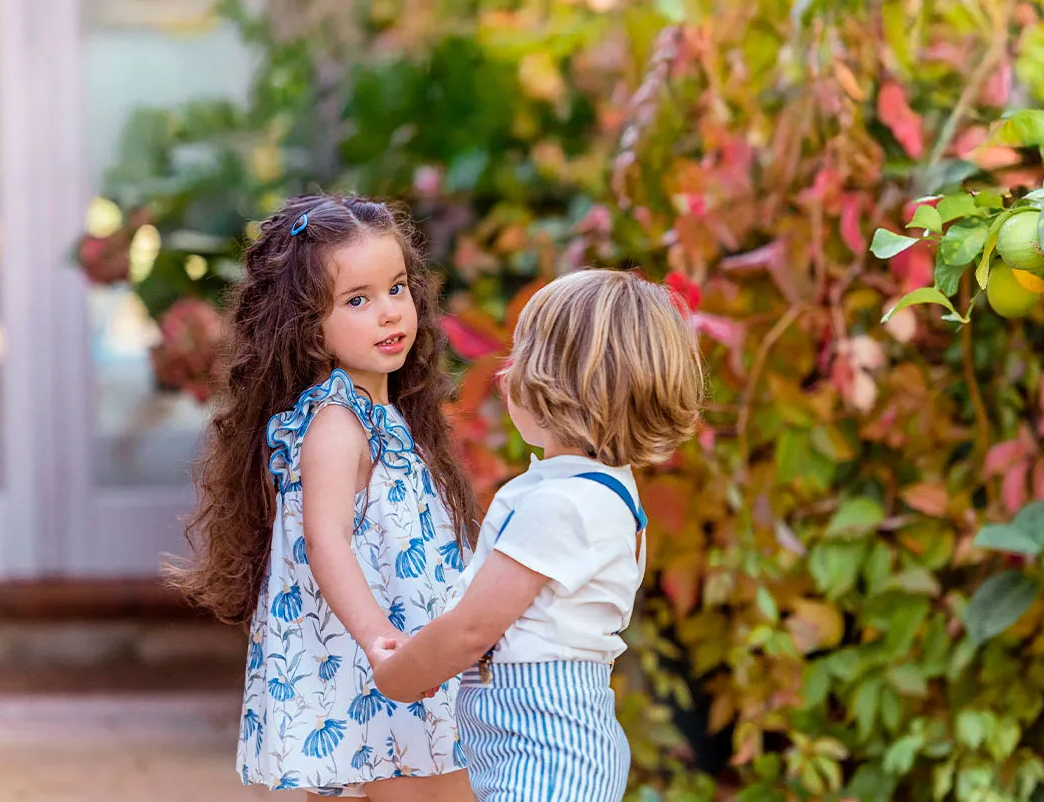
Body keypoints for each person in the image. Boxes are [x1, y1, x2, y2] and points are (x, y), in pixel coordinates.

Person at [169, 195, 478, 800]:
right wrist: (380, 640)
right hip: (374, 660)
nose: (389, 313)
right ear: (307, 324)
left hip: (398, 654)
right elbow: (325, 540)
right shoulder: (337, 423)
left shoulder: (383, 412)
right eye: (357, 300)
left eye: (396, 288)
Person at [366, 268, 705, 801]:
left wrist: (400, 674)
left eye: (521, 357)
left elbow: (474, 629)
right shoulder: (590, 490)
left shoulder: (564, 504)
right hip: (542, 743)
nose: (505, 374)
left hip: (545, 749)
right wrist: (438, 656)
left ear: (562, 385)